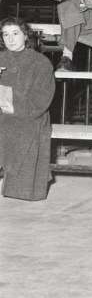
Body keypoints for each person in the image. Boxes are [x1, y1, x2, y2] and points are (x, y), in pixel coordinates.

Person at [0, 17, 55, 200]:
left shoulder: (41, 62)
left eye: (15, 33)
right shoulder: (1, 58)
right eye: (5, 34)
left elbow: (40, 101)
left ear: (25, 36)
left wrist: (6, 96)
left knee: (21, 191)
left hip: (29, 115)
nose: (10, 39)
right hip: (4, 113)